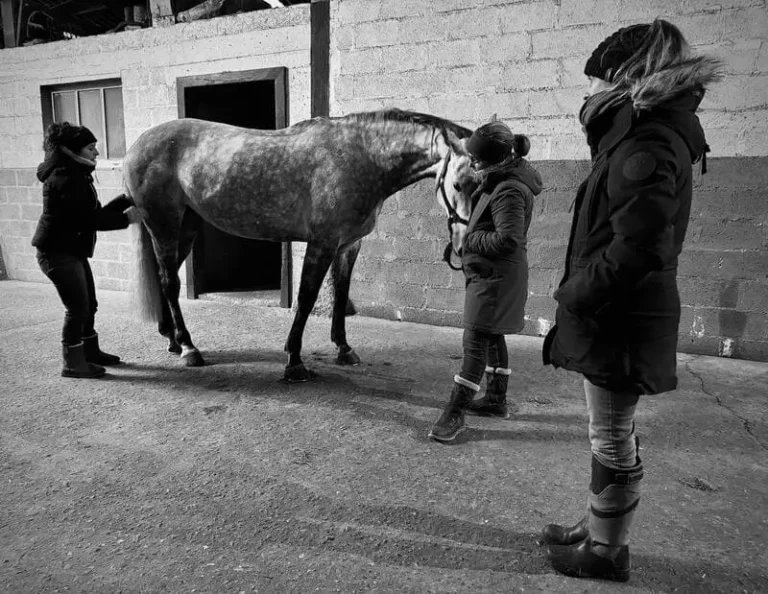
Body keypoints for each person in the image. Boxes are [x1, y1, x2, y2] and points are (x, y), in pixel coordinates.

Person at [539, 20, 722, 581]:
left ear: (625, 78)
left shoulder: (647, 141)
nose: (588, 92)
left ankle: (606, 551)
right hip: (614, 313)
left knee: (612, 434)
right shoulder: (637, 134)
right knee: (610, 429)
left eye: (596, 80)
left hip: (619, 316)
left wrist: (574, 293)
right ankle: (596, 523)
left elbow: (638, 246)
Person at [428, 120, 542, 442]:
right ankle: (495, 400)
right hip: (492, 277)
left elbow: (509, 240)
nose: (473, 163)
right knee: (492, 337)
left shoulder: (509, 190)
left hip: (495, 280)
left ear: (494, 159)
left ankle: (454, 414)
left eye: (477, 160)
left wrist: (471, 240)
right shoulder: (500, 179)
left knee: (475, 343)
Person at [32, 122, 140, 378]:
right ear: (72, 151)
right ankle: (72, 363)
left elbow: (92, 214)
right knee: (77, 307)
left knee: (89, 304)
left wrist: (125, 200)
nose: (96, 153)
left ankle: (89, 352)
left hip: (71, 251)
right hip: (56, 253)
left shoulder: (74, 173)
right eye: (91, 148)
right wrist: (128, 218)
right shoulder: (65, 178)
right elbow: (90, 221)